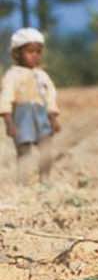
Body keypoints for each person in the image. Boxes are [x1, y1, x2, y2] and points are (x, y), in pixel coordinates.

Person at [2, 27, 60, 176]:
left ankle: (45, 181)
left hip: (41, 116)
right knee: (24, 152)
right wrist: (9, 124)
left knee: (47, 150)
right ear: (17, 54)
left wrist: (53, 118)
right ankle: (24, 183)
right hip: (22, 117)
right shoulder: (12, 75)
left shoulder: (42, 75)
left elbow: (50, 96)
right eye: (30, 52)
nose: (35, 56)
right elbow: (6, 98)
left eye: (38, 52)